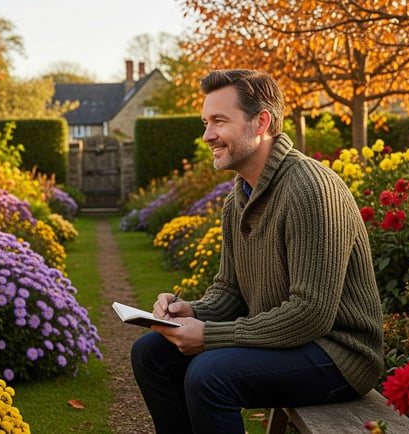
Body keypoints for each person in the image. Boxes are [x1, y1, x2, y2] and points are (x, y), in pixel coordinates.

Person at [130, 69, 385, 434]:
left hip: (338, 354)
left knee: (209, 375)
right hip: (289, 341)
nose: (207, 135)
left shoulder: (311, 189)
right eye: (206, 122)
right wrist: (190, 311)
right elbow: (229, 292)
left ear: (261, 121)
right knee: (151, 353)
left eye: (220, 121)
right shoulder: (239, 198)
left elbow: (310, 314)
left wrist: (211, 336)